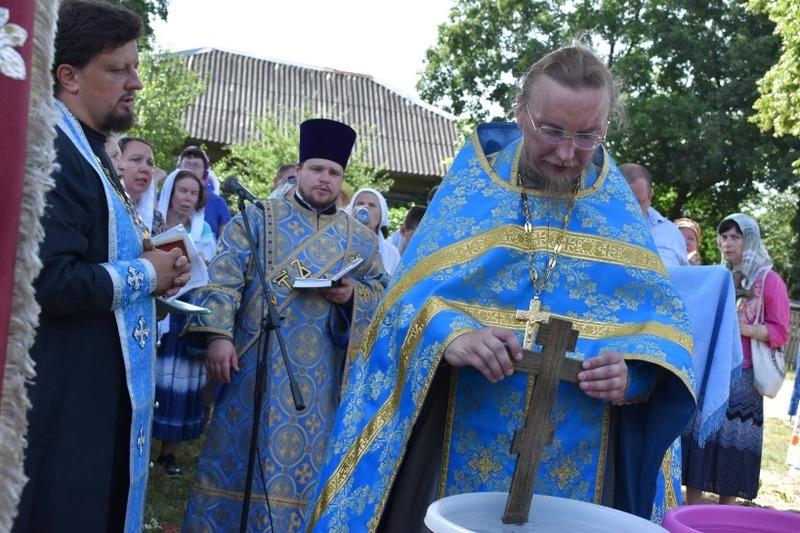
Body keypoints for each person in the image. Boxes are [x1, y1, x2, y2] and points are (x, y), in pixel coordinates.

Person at [306, 43, 696, 532]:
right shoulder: (473, 192)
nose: (567, 152)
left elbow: (663, 334)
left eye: (588, 135)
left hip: (581, 461)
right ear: (521, 111)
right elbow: (400, 304)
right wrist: (449, 332)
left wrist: (633, 376)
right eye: (551, 130)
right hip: (456, 446)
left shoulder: (618, 212)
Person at [13, 2, 191, 532]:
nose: (135, 82)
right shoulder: (53, 151)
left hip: (95, 387)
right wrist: (147, 275)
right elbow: (48, 279)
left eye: (134, 67)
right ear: (67, 75)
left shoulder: (90, 150)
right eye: (118, 69)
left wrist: (157, 273)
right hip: (63, 397)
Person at [181, 118, 389, 532]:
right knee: (239, 458)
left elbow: (385, 295)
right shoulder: (257, 218)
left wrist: (353, 297)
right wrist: (219, 336)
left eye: (334, 172)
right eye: (317, 169)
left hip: (321, 379)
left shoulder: (362, 240)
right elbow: (223, 277)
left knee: (305, 472)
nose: (325, 179)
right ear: (299, 169)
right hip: (254, 365)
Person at [683, 213, 790, 505]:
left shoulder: (769, 281)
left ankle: (724, 516)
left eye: (735, 237)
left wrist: (742, 328)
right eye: (724, 236)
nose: (727, 243)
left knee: (733, 447)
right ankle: (691, 510)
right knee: (701, 439)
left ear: (750, 240)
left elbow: (781, 332)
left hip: (743, 377)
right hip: (712, 369)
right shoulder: (718, 276)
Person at [151, 170, 215, 476]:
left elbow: (212, 268)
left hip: (187, 313)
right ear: (170, 193)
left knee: (182, 380)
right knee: (156, 375)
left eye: (194, 193)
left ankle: (169, 453)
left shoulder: (204, 231)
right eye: (183, 191)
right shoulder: (152, 221)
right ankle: (144, 445)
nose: (188, 198)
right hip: (159, 312)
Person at [621, 163, 689, 267]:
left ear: (650, 196)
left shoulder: (670, 233)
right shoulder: (594, 226)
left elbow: (684, 278)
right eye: (622, 201)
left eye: (637, 202)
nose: (629, 208)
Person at [175, 145, 231, 239]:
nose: (191, 168)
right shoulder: (165, 197)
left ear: (205, 171)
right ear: (179, 167)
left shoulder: (218, 202)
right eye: (187, 163)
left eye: (196, 165)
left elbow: (225, 241)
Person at [347, 188, 402, 274]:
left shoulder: (391, 253)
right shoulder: (341, 243)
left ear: (381, 214)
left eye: (372, 205)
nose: (365, 208)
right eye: (360, 204)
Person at [120, 136, 166, 235]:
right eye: (136, 159)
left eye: (150, 163)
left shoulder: (157, 219)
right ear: (117, 162)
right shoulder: (103, 207)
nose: (145, 168)